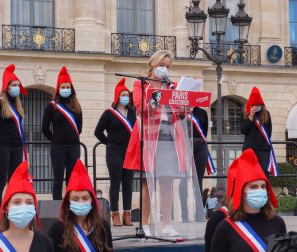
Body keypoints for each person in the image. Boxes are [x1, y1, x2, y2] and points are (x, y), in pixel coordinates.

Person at [124, 50, 191, 237]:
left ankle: (166, 225)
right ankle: (145, 224)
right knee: (147, 183)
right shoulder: (140, 84)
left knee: (167, 182)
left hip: (168, 137)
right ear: (153, 64)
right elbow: (139, 108)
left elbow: (178, 111)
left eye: (168, 67)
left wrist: (186, 108)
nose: (165, 69)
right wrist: (156, 99)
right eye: (162, 65)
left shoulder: (172, 86)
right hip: (148, 138)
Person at [211, 148, 286, 251]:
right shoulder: (225, 227)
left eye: (263, 186)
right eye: (253, 187)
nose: (260, 191)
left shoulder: (278, 223)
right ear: (241, 192)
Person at [0, 161, 54, 251]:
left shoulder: (46, 243)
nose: (23, 207)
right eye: (17, 202)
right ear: (6, 208)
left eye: (29, 202)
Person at [94, 77, 136, 227]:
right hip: (114, 152)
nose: (125, 98)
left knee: (128, 184)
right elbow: (98, 132)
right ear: (117, 97)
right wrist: (109, 143)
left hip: (129, 152)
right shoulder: (109, 113)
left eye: (127, 95)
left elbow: (136, 131)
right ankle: (115, 214)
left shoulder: (132, 113)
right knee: (115, 183)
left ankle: (127, 214)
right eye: (123, 95)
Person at [48, 159, 113, 252]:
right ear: (68, 201)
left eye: (85, 198)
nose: (81, 202)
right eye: (75, 199)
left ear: (92, 200)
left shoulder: (102, 226)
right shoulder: (58, 228)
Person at [0, 64, 28, 226]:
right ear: (6, 87)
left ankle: (12, 212)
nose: (16, 88)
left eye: (18, 85)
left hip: (17, 147)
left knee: (14, 182)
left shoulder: (17, 104)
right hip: (3, 146)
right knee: (0, 182)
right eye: (13, 85)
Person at [42, 66, 83, 200]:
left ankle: (70, 206)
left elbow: (79, 128)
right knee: (58, 180)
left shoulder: (77, 106)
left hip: (74, 147)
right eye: (63, 87)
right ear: (58, 89)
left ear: (71, 89)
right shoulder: (52, 106)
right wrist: (55, 139)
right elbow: (45, 128)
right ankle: (57, 208)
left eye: (68, 87)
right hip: (57, 147)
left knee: (72, 180)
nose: (66, 90)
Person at [241, 87, 277, 177]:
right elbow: (244, 130)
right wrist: (251, 116)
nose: (257, 106)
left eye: (258, 104)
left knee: (263, 175)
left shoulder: (266, 114)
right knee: (250, 175)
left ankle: (264, 191)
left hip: (264, 150)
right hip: (249, 149)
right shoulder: (245, 114)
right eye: (255, 105)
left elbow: (269, 132)